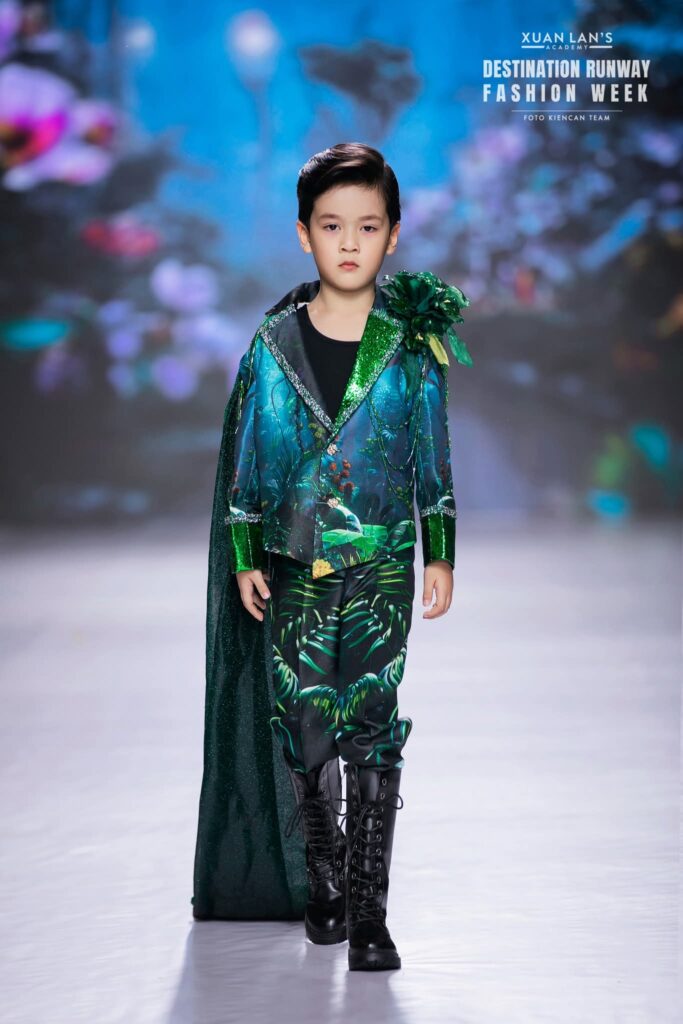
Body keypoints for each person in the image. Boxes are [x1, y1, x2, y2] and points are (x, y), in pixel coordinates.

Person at [191, 142, 472, 971]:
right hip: (292, 558)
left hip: (383, 556)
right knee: (305, 720)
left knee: (372, 720)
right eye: (331, 225)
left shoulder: (412, 345)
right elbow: (250, 456)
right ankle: (324, 878)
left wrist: (440, 550)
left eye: (367, 226)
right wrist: (242, 549)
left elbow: (432, 453)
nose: (349, 242)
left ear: (393, 235)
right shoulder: (272, 344)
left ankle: (371, 913)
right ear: (303, 234)